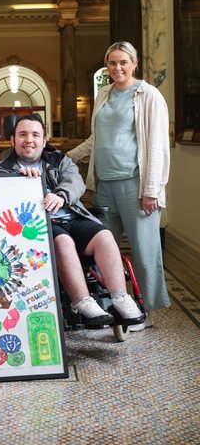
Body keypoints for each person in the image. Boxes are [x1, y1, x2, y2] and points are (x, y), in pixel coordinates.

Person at [0, 114, 144, 327]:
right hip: (38, 226)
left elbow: (75, 182)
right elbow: (2, 201)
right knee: (63, 242)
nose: (29, 139)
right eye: (23, 134)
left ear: (44, 141)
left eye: (35, 134)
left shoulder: (59, 159)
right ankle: (82, 301)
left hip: (71, 215)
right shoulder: (3, 167)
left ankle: (121, 298)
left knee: (104, 235)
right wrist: (18, 181)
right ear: (12, 141)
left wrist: (61, 195)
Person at [68, 41, 170, 328]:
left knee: (144, 250)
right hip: (104, 185)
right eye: (112, 63)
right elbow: (96, 140)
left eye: (123, 62)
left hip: (135, 186)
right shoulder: (103, 94)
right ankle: (111, 303)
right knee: (101, 249)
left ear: (134, 63)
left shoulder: (148, 95)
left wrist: (152, 189)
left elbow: (157, 146)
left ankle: (145, 310)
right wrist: (66, 156)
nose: (117, 68)